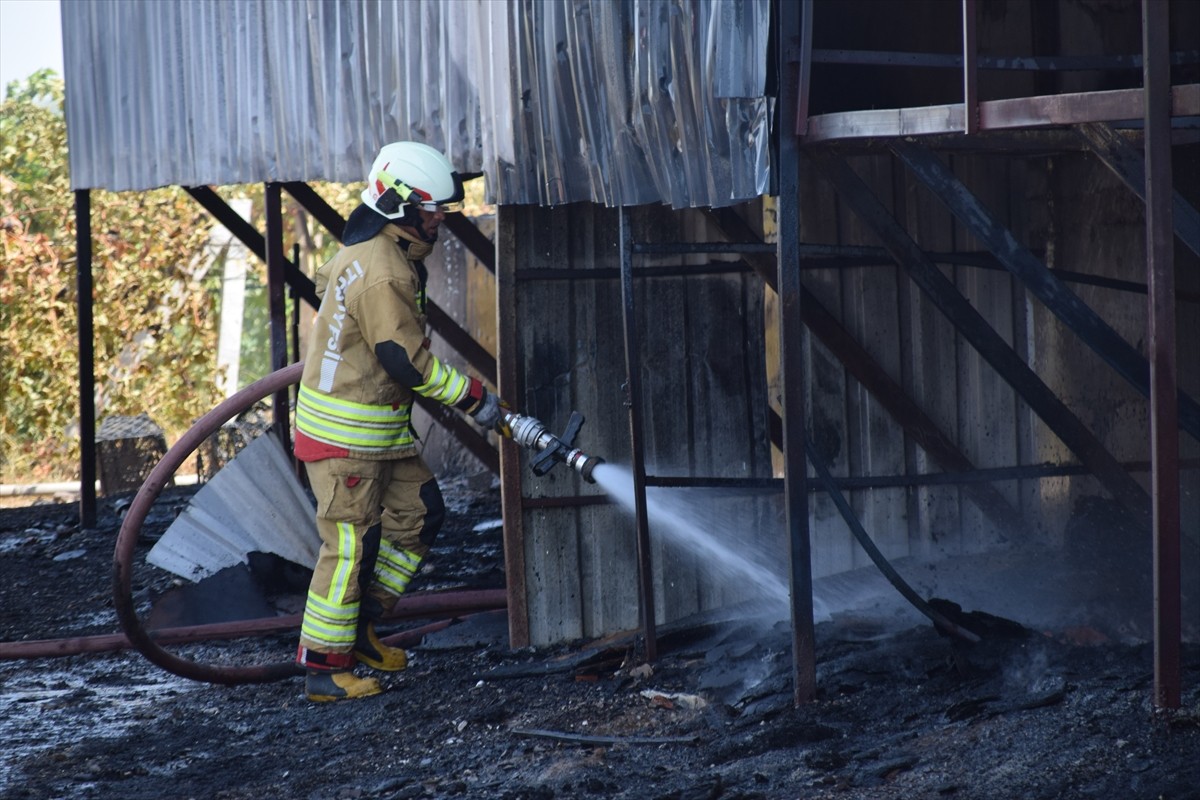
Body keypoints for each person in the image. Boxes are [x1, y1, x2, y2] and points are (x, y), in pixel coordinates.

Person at [293, 141, 506, 702]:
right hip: (345, 441)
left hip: (377, 434)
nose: (440, 218)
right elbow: (405, 362)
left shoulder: (379, 249)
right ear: (398, 204)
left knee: (420, 512)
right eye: (432, 208)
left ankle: (359, 627)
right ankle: (324, 669)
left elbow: (331, 290)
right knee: (349, 548)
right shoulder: (383, 270)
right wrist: (478, 401)